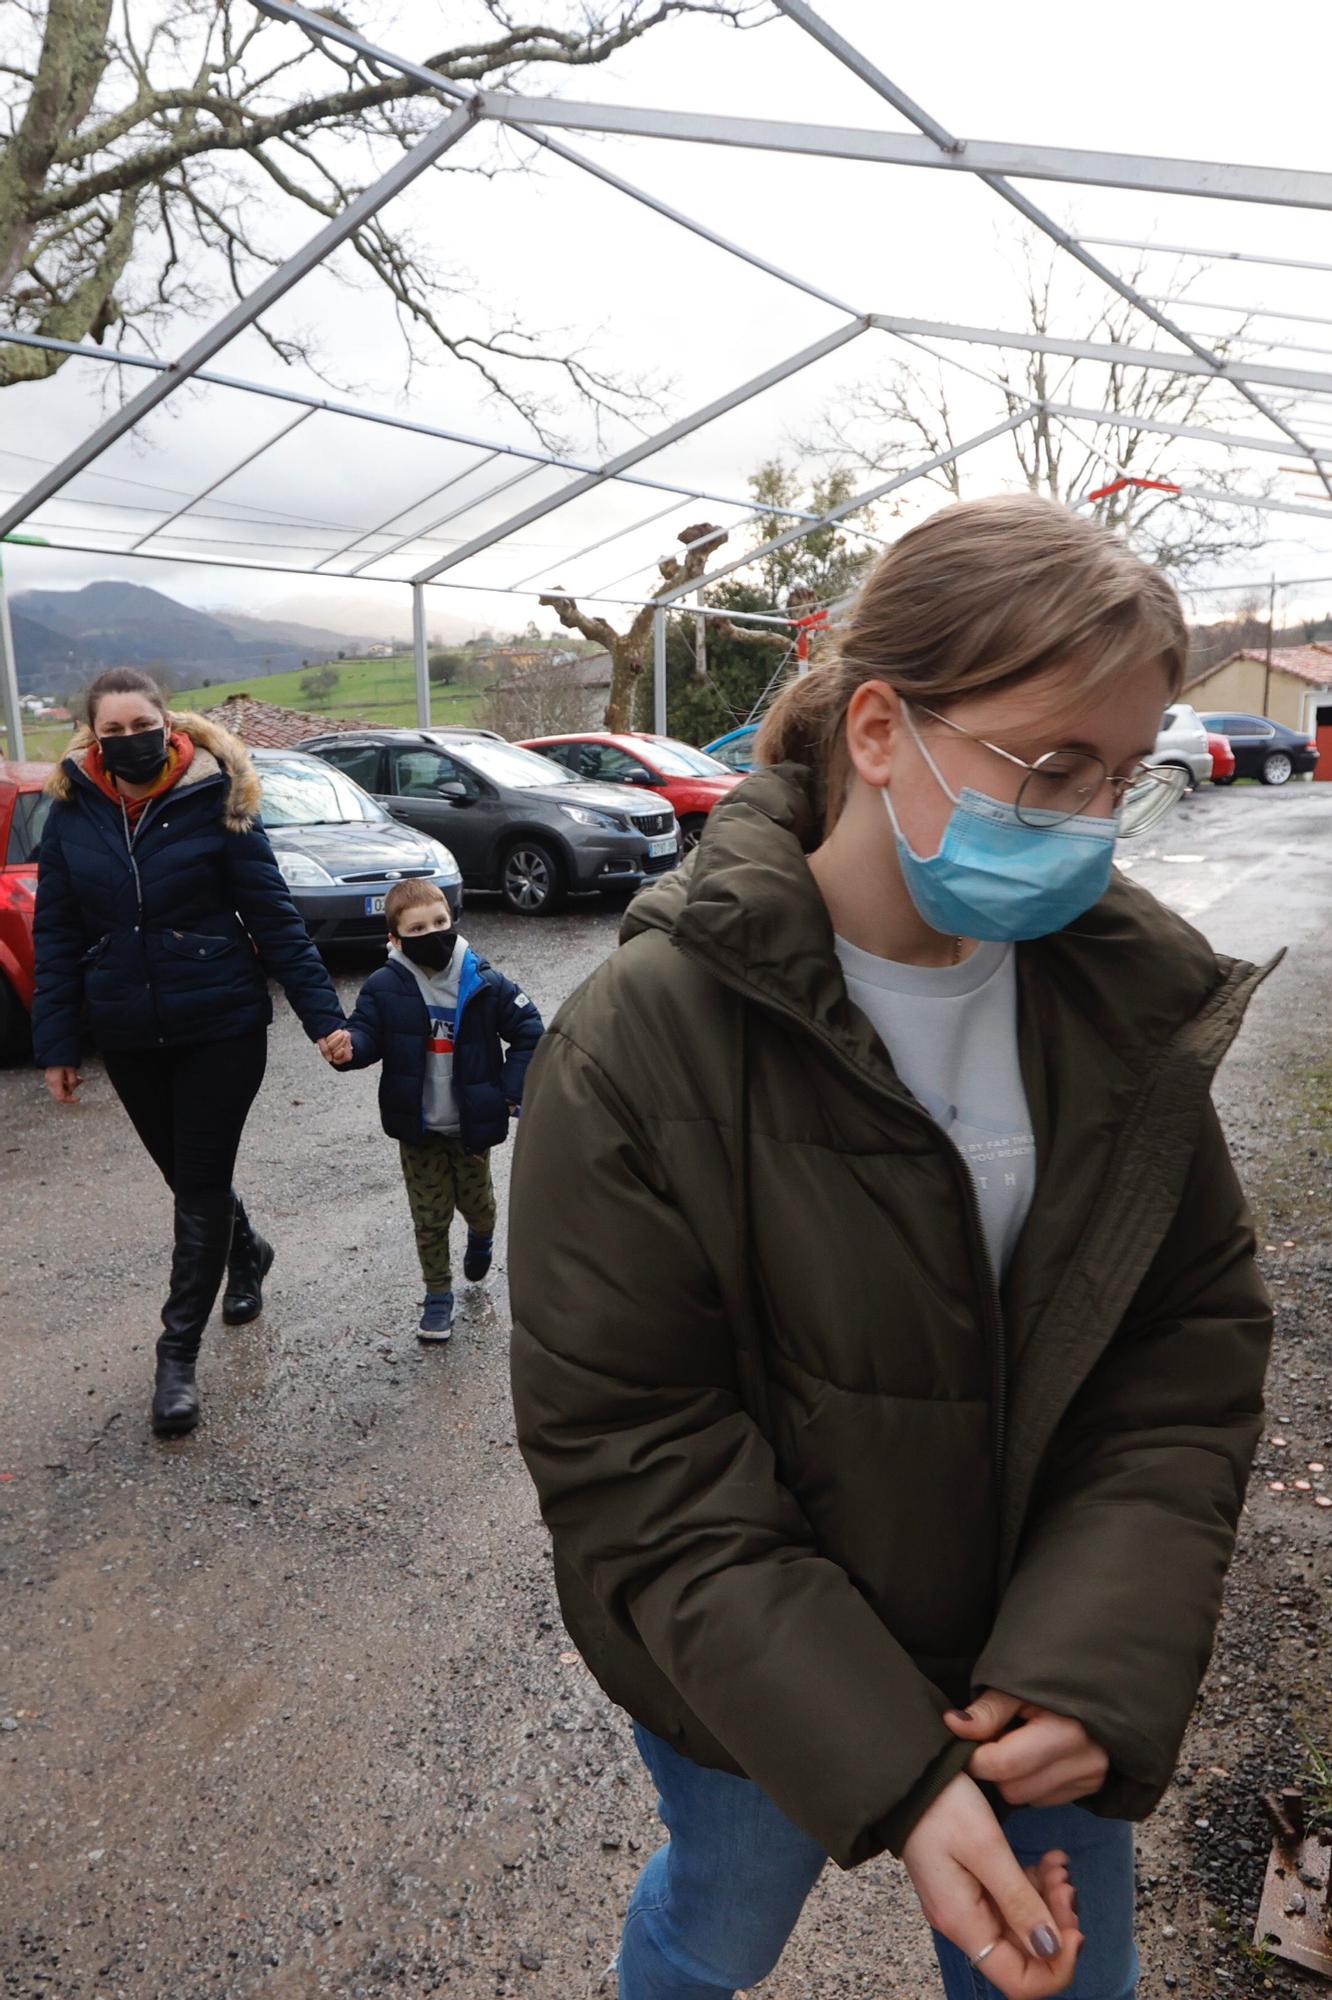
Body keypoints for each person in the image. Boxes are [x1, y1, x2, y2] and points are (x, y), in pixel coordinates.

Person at [508, 494, 1274, 2000]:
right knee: (714, 1925)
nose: (1087, 823)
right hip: (755, 1688)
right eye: (1050, 768)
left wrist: (1091, 1660)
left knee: (1060, 1976)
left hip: (1035, 1676)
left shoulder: (1121, 1000)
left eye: (1119, 778)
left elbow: (1184, 1348)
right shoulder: (648, 1042)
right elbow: (636, 1449)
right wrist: (891, 1776)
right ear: (877, 729)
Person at [33, 667, 351, 1439]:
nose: (128, 739)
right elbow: (57, 933)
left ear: (165, 722)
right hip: (129, 1028)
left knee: (198, 1182)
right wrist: (59, 1041)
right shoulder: (73, 813)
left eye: (139, 723)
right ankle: (249, 1253)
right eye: (112, 731)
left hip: (221, 1024)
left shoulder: (217, 798)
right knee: (185, 1174)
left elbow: (273, 917)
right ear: (93, 739)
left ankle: (175, 1357)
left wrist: (324, 1019)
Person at [334, 878, 543, 1341]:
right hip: (420, 1128)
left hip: (471, 1124)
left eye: (441, 922)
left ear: (453, 920)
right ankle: (437, 1296)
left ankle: (483, 1236)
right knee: (429, 1217)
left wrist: (508, 1093)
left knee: (478, 1204)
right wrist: (350, 1048)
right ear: (395, 938)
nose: (433, 933)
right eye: (418, 927)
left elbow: (530, 1031)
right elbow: (366, 1033)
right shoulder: (384, 987)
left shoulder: (484, 980)